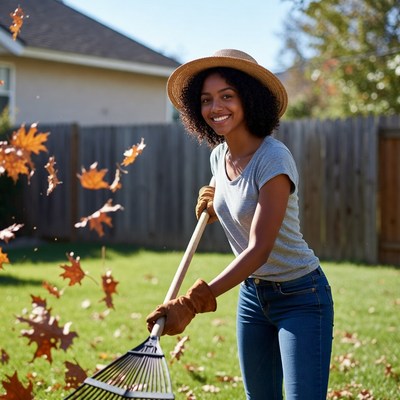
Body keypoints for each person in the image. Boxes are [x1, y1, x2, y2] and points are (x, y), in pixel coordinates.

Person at [146, 49, 334, 400]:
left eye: (227, 96)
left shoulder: (273, 158)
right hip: (252, 297)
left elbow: (259, 249)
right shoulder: (220, 156)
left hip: (300, 295)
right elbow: (231, 190)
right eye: (206, 100)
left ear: (250, 98)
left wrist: (192, 302)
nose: (215, 107)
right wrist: (214, 200)